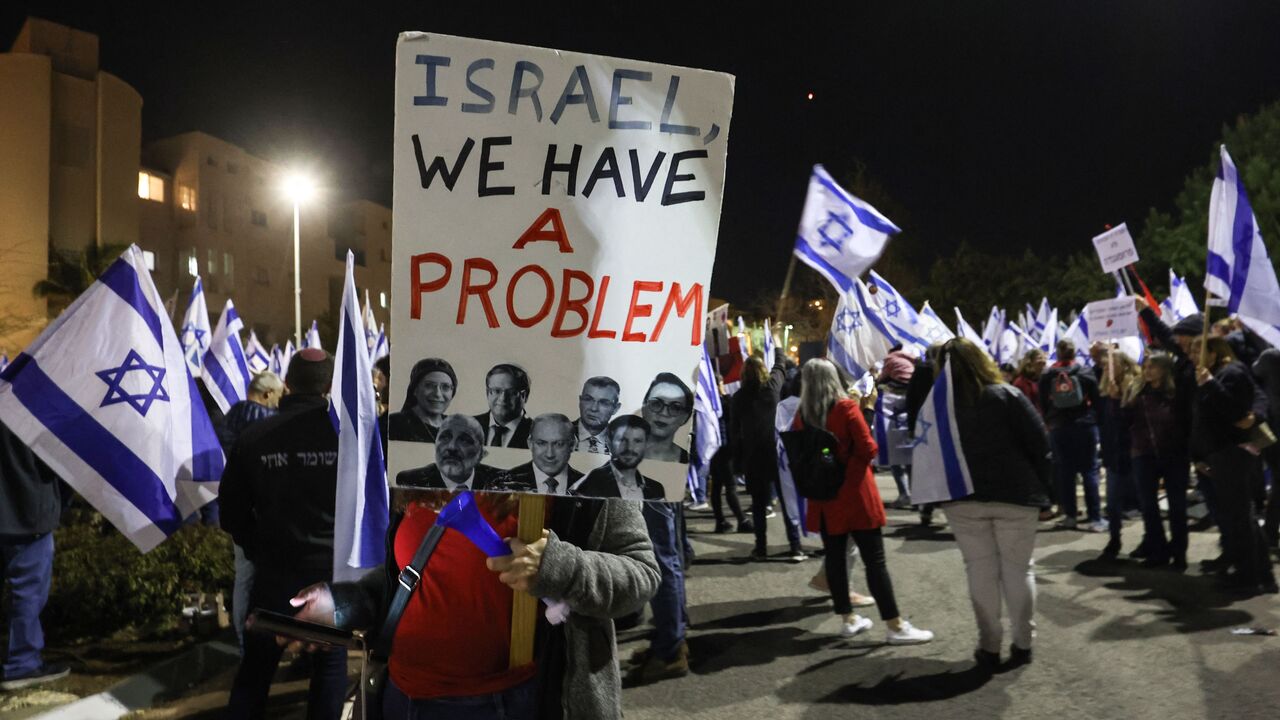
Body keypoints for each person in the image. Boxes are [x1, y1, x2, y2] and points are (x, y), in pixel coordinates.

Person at [287, 490, 660, 718]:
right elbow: (409, 576)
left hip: (519, 701)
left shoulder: (583, 459)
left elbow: (642, 574)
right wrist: (341, 605)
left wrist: (559, 567)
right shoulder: (424, 449)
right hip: (403, 698)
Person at [218, 348, 347, 719]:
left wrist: (259, 549)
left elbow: (231, 513)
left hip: (274, 574)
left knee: (256, 670)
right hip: (329, 576)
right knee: (329, 664)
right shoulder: (349, 436)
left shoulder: (254, 436)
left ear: (287, 384)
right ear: (329, 387)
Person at [934, 339, 1051, 670]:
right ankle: (1023, 643)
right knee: (1018, 569)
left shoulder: (938, 405)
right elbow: (1041, 444)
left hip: (963, 498)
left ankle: (988, 645)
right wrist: (1047, 494)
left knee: (980, 570)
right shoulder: (1007, 395)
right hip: (1016, 495)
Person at [799, 358, 934, 644]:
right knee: (875, 561)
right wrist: (868, 411)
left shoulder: (803, 415)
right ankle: (895, 626)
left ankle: (847, 619)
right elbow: (868, 448)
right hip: (855, 494)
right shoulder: (846, 408)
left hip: (826, 498)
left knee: (834, 558)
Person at [1193, 337, 1276, 594]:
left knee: (1240, 517)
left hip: (1232, 452)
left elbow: (1235, 411)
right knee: (1243, 516)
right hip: (1223, 452)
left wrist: (1208, 384)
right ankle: (1260, 575)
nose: (1194, 354)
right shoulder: (1222, 372)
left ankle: (1249, 577)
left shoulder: (1230, 372)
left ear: (1215, 353)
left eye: (1199, 350)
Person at [0, 420, 70, 691]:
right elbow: (60, 463)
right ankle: (22, 663)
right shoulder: (32, 401)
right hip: (28, 513)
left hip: (22, 512)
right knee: (28, 592)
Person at [217, 371, 283, 653]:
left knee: (243, 576)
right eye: (278, 397)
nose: (280, 403)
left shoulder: (229, 418)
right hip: (265, 510)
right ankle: (264, 640)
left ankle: (244, 640)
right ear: (268, 394)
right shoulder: (266, 421)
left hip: (239, 509)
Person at [732, 352, 805, 562]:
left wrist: (737, 462)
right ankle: (796, 546)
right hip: (777, 455)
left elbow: (735, 433)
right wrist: (778, 349)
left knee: (758, 504)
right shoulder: (772, 389)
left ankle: (761, 548)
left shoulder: (738, 398)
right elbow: (780, 367)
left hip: (753, 457)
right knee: (786, 500)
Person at [1122, 352, 1188, 568]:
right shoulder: (1138, 390)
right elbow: (1123, 421)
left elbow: (1186, 422)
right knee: (1148, 506)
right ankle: (1158, 551)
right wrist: (1117, 400)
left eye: (1152, 366)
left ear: (1164, 369)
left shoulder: (1175, 392)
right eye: (1146, 366)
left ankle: (1179, 553)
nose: (1147, 370)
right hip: (1143, 454)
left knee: (1177, 507)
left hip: (1174, 455)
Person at [1038, 339, 1105, 532]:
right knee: (1089, 471)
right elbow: (1097, 400)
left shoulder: (1048, 375)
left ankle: (1070, 516)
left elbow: (1043, 403)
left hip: (1059, 428)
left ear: (1057, 354)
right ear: (1075, 353)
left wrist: (1050, 421)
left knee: (1065, 473)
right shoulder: (1085, 372)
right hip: (1085, 426)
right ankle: (1095, 518)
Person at [1098, 349, 1141, 560]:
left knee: (1143, 501)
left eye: (1110, 364)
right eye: (1105, 366)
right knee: (1113, 503)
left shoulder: (1134, 388)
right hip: (1114, 456)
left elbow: (1129, 423)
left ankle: (1152, 540)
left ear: (1123, 365)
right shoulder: (1105, 391)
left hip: (1133, 453)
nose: (1106, 369)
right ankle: (1114, 539)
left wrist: (1117, 400)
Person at [395, 414, 506, 491]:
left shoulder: (500, 481)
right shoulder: (412, 481)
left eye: (464, 440)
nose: (452, 447)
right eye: (445, 437)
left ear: (481, 454)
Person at [571, 416, 666, 500]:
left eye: (637, 441)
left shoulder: (656, 490)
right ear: (609, 442)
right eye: (622, 440)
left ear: (647, 445)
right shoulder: (590, 483)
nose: (630, 448)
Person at [505, 413, 583, 495]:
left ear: (573, 445)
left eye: (559, 444)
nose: (549, 454)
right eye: (541, 443)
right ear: (530, 444)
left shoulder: (588, 484)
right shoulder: (506, 481)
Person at [388, 358, 457, 443]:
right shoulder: (394, 424)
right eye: (429, 385)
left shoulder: (456, 427)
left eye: (445, 387)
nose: (437, 394)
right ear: (415, 389)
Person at [1251, 348, 1280, 550]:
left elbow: (1255, 371)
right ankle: (1269, 532)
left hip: (1273, 429)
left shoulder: (1270, 356)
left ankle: (1269, 533)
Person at [476, 364, 534, 449]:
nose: (503, 398)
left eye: (511, 392)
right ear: (487, 393)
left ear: (524, 396)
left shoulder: (538, 433)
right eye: (497, 391)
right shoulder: (468, 426)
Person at [640, 373, 693, 463]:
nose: (664, 413)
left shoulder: (690, 464)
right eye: (656, 404)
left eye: (675, 408)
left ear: (685, 417)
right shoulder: (620, 454)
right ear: (644, 408)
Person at [573, 377, 621, 453]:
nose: (594, 408)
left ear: (615, 408)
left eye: (604, 403)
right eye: (588, 399)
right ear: (580, 401)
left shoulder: (623, 444)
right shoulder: (559, 434)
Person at [1012, 349, 1046, 415]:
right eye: (1039, 358)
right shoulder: (1020, 382)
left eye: (1044, 359)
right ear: (1030, 362)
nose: (1043, 361)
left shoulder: (1042, 380)